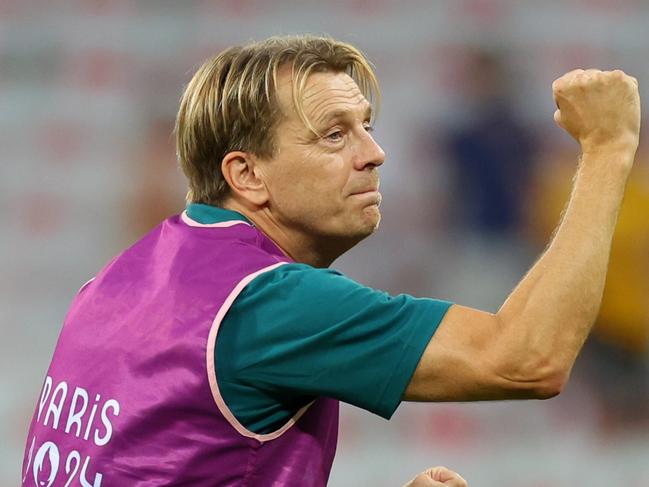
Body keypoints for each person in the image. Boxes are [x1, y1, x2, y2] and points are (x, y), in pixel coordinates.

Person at [21, 35, 639, 486]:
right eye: (334, 135)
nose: (375, 153)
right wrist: (609, 148)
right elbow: (525, 361)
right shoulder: (267, 301)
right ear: (247, 174)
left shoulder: (111, 281)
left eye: (366, 126)